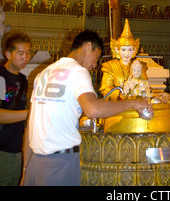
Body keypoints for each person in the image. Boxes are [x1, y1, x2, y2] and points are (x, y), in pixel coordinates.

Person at [21, 30, 152, 186]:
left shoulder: (43, 73)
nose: (95, 64)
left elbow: (30, 127)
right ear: (88, 46)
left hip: (34, 164)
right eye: (96, 57)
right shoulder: (78, 72)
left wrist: (25, 170)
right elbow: (93, 109)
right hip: (59, 165)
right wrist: (134, 103)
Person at [0, 32, 32, 186]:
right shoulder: (1, 77)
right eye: (20, 53)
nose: (25, 57)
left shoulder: (23, 81)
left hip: (17, 150)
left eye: (28, 52)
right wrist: (31, 113)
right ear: (8, 54)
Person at [100, 19, 146, 100]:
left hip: (135, 103)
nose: (127, 53)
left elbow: (145, 85)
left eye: (130, 50)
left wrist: (137, 90)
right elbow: (105, 89)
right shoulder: (110, 66)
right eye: (123, 50)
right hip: (117, 105)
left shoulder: (140, 66)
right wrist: (120, 94)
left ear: (134, 50)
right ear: (117, 50)